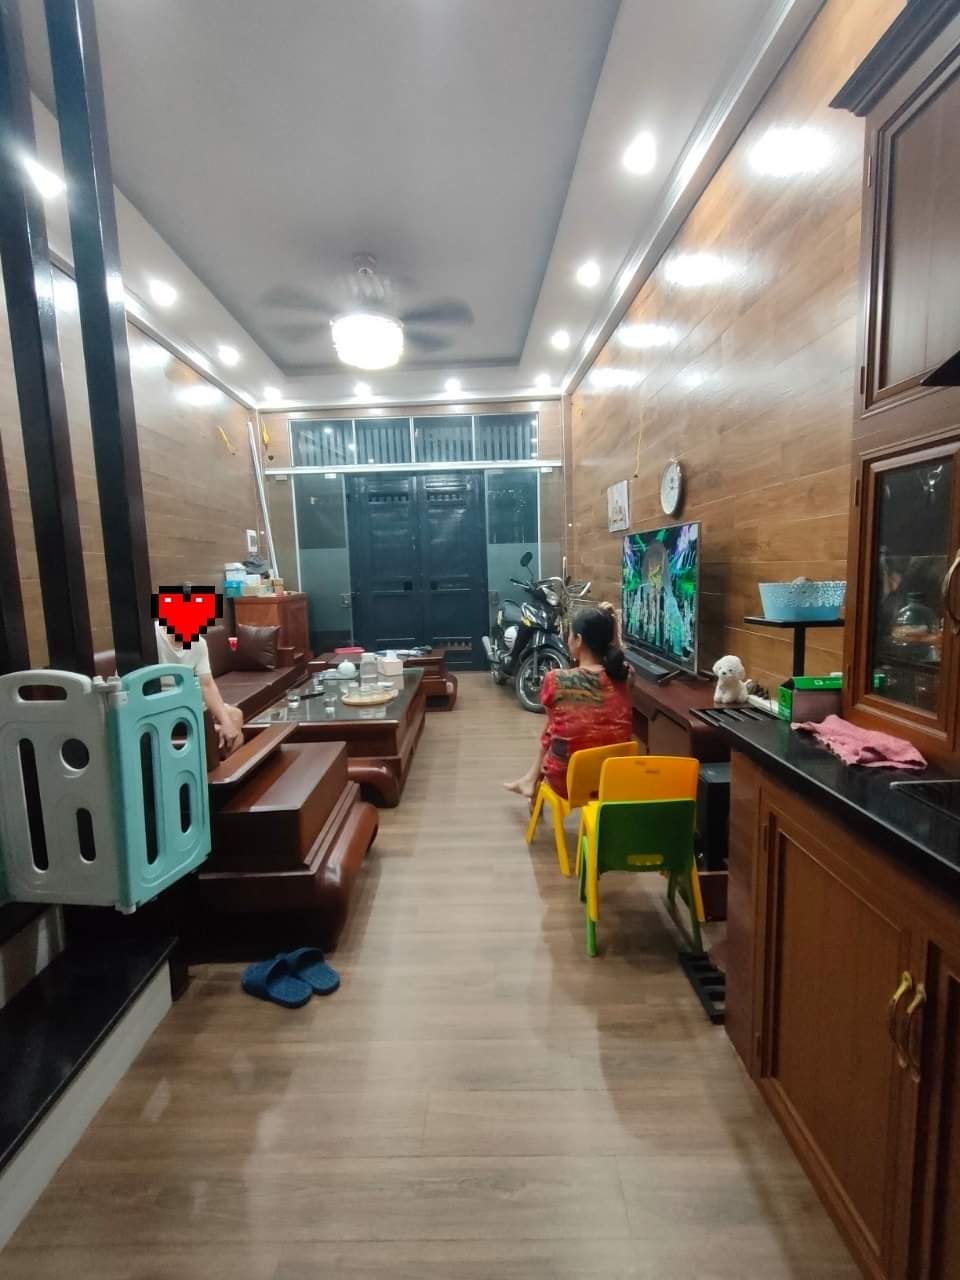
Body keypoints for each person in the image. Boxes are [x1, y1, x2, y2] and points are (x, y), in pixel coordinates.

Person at [504, 604, 633, 800]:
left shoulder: (556, 680)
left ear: (578, 640)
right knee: (561, 723)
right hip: (614, 779)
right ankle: (529, 780)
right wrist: (612, 630)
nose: (568, 639)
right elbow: (618, 659)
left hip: (568, 782)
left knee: (553, 725)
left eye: (570, 634)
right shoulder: (625, 676)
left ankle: (531, 780)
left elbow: (554, 728)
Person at [154, 621, 244, 754]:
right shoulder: (152, 636)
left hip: (188, 703)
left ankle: (225, 764)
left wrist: (226, 722)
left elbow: (207, 685)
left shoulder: (199, 643)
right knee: (211, 727)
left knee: (235, 716)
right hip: (161, 707)